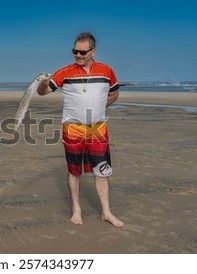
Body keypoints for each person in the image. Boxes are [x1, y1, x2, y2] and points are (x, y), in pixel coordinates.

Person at [37, 32, 124, 228]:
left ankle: (106, 212)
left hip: (98, 129)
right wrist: (42, 84)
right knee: (74, 170)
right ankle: (77, 209)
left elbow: (115, 92)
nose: (78, 55)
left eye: (82, 52)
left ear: (93, 51)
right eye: (75, 51)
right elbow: (42, 92)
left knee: (102, 171)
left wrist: (100, 108)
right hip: (73, 129)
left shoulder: (106, 71)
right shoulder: (64, 72)